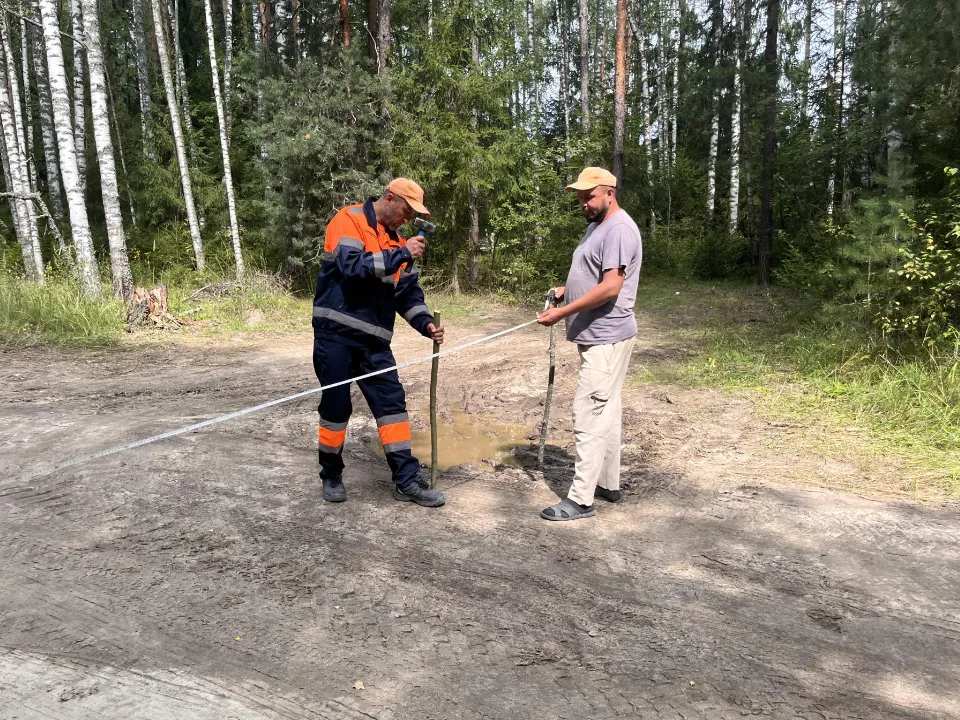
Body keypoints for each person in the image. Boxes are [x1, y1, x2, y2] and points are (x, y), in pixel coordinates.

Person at [312, 179, 446, 507]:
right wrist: (402, 252)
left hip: (374, 343)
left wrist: (425, 323)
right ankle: (331, 473)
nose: (407, 219)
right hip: (336, 336)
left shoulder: (399, 242)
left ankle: (406, 481)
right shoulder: (349, 220)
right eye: (406, 210)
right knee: (337, 408)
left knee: (392, 407)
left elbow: (407, 294)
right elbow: (352, 267)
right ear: (389, 198)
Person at [536, 167, 643, 521]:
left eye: (589, 196)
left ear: (609, 192)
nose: (584, 203)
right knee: (607, 411)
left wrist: (563, 311)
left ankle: (581, 499)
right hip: (597, 335)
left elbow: (612, 286)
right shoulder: (597, 224)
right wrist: (567, 290)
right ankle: (608, 484)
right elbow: (596, 274)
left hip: (607, 336)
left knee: (589, 413)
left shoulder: (620, 229)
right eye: (581, 198)